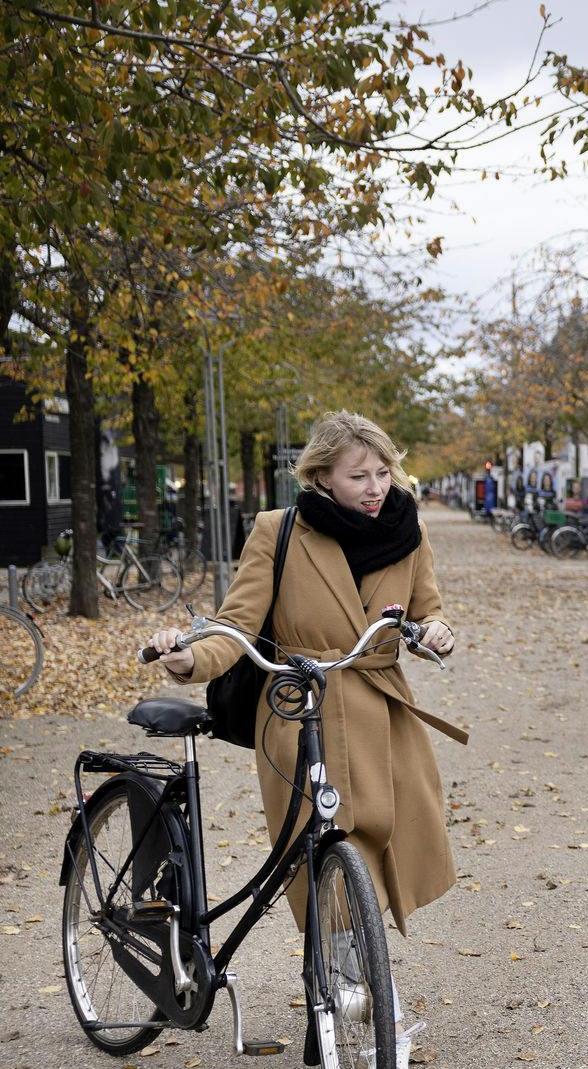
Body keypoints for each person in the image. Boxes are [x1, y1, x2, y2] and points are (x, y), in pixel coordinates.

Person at [145, 411, 462, 1062]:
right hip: (299, 707)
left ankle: (360, 985)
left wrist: (434, 635)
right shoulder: (277, 531)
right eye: (358, 475)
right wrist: (188, 658)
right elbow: (235, 623)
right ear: (321, 475)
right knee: (326, 855)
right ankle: (368, 998)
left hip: (381, 705)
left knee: (379, 847)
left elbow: (426, 611)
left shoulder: (409, 529)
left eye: (382, 472)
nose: (375, 487)